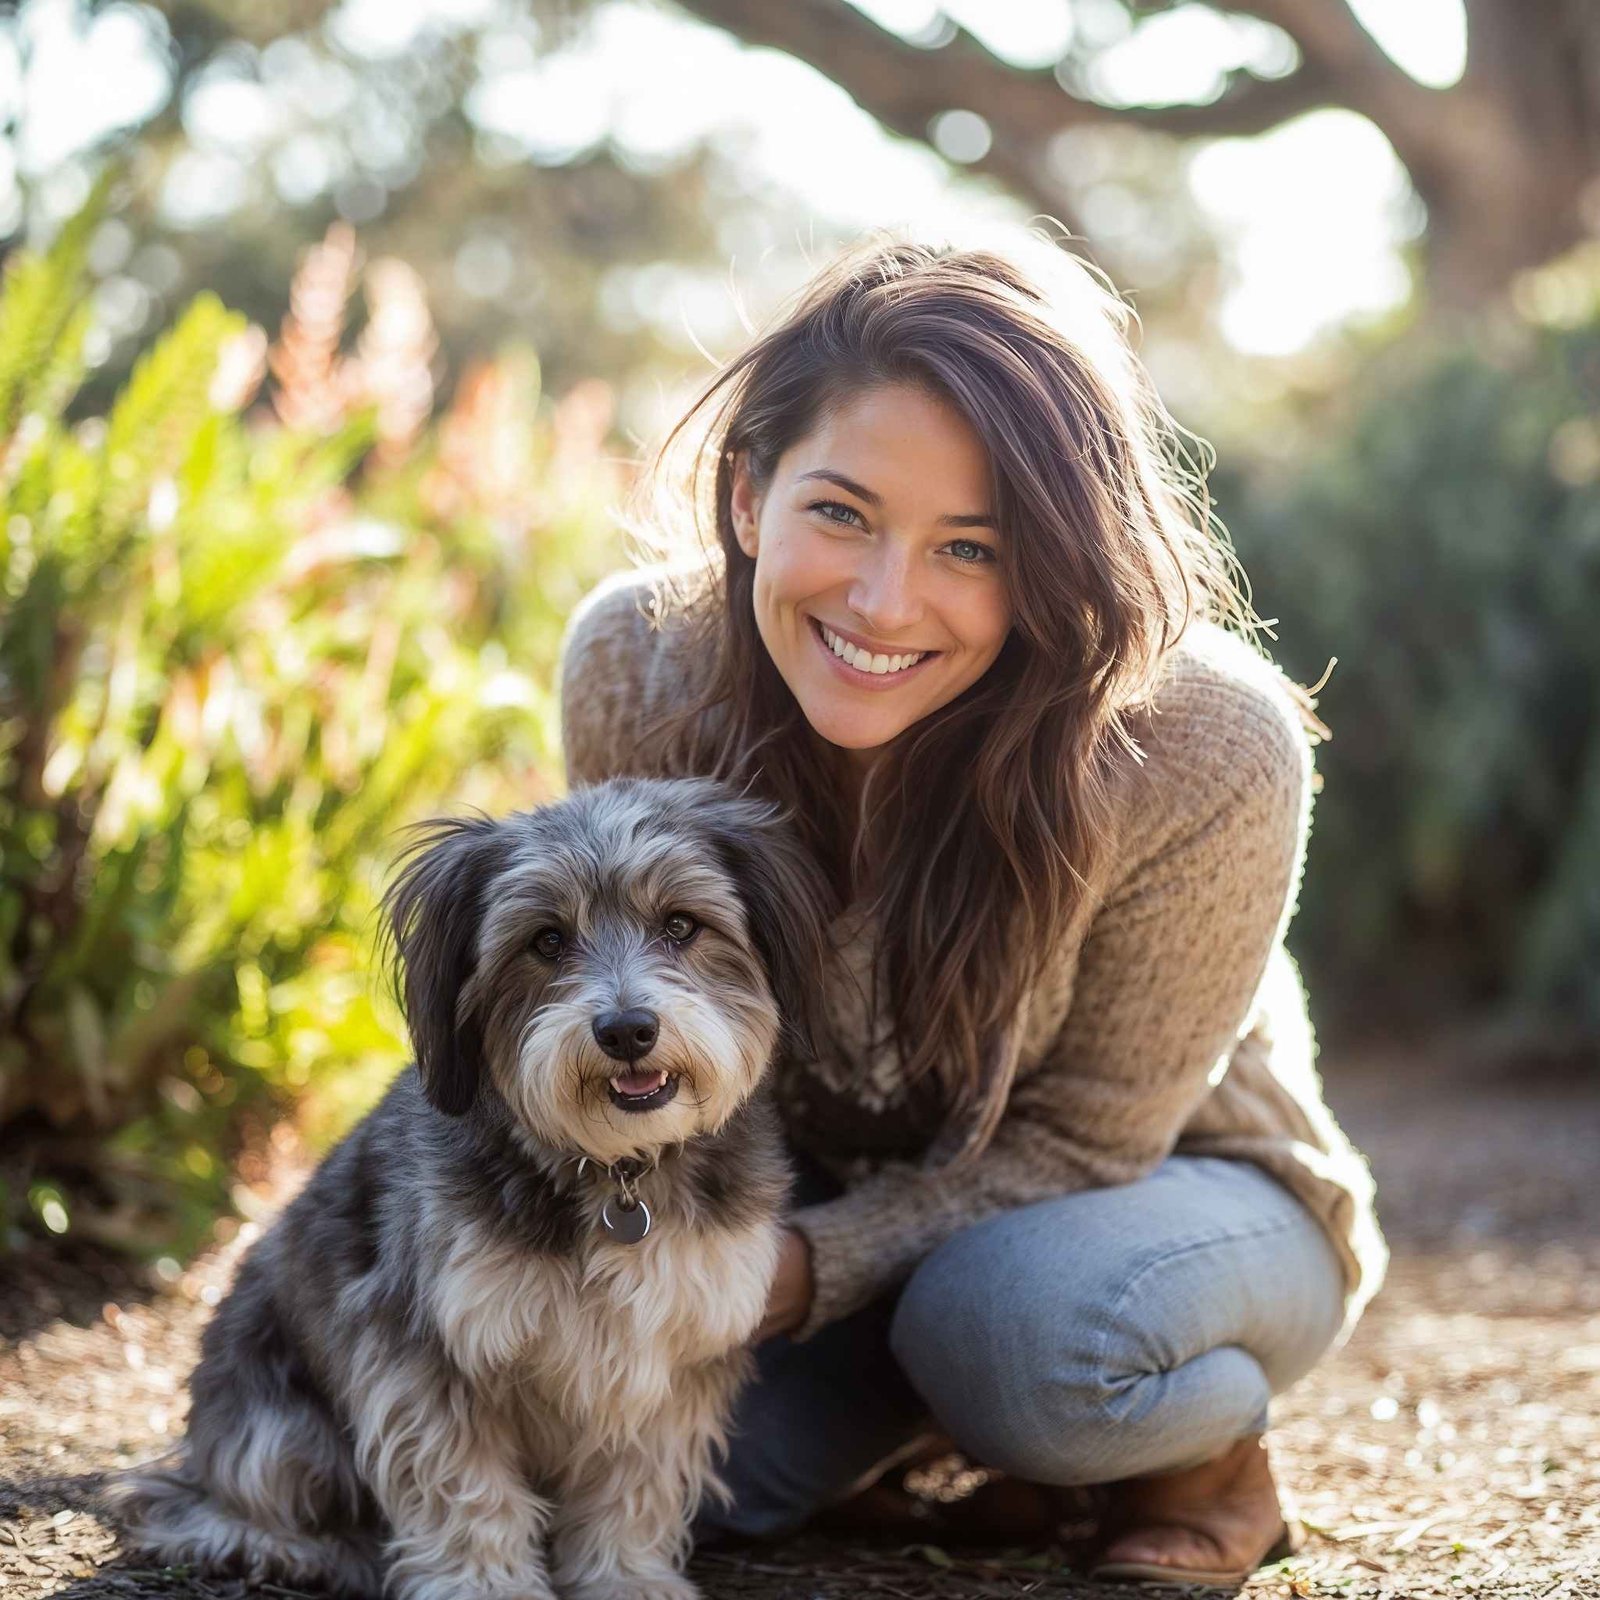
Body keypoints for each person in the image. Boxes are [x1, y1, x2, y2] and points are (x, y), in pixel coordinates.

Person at [556, 223, 1387, 1588]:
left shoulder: (1205, 743)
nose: (886, 601)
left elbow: (1088, 1139)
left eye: (972, 547)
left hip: (1174, 1189)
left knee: (1019, 1341)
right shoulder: (636, 666)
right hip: (825, 1201)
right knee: (672, 1483)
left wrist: (805, 1271)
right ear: (753, 492)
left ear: (1057, 556)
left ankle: (1197, 1454)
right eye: (841, 513)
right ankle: (943, 1436)